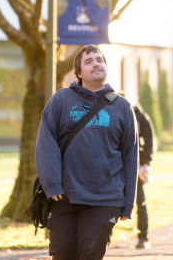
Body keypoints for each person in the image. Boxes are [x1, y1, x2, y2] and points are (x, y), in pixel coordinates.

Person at [36, 45, 138, 260]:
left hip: (104, 198)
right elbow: (46, 143)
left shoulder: (122, 107)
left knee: (90, 254)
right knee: (62, 255)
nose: (96, 64)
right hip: (64, 196)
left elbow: (130, 156)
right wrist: (52, 183)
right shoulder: (61, 100)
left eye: (100, 60)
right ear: (79, 73)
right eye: (89, 61)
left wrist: (128, 203)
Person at [132, 103, 155, 249]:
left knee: (140, 201)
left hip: (136, 165)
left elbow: (149, 141)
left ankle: (143, 237)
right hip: (115, 166)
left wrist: (146, 163)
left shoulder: (139, 117)